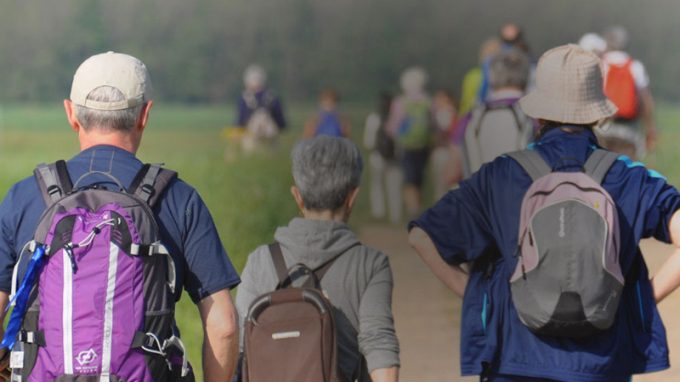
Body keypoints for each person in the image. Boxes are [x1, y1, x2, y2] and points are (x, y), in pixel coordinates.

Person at [408, 44, 680, 381]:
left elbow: (423, 237)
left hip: (515, 358)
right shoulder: (629, 175)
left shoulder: (501, 175)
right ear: (598, 113)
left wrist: (485, 299)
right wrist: (643, 296)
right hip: (602, 362)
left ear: (538, 114)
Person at [0, 52, 241, 380]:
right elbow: (223, 325)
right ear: (145, 114)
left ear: (71, 113)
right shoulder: (179, 199)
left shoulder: (24, 199)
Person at [235, 136, 400, 382]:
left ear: (297, 196)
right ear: (352, 198)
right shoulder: (369, 265)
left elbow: (239, 345)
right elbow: (379, 343)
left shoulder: (260, 260)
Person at [457, 49, 534, 177]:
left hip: (480, 192)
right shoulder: (535, 116)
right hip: (523, 192)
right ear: (526, 77)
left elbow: (453, 169)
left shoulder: (470, 118)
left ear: (491, 77)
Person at [598, 26, 657, 160]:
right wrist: (650, 130)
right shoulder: (635, 66)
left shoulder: (600, 64)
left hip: (603, 127)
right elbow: (646, 101)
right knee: (629, 171)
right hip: (629, 129)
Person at [386, 66, 432, 217]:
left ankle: (413, 209)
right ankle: (419, 205)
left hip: (406, 145)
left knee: (408, 178)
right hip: (424, 144)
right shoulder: (427, 100)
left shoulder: (401, 102)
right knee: (419, 177)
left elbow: (393, 127)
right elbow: (434, 123)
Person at [363, 92, 403, 224]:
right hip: (395, 158)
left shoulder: (373, 118)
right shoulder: (398, 119)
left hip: (376, 156)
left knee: (377, 185)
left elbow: (368, 142)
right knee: (394, 187)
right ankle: (395, 215)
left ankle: (379, 212)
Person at [236, 64, 287, 151]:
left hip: (252, 133)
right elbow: (279, 116)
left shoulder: (245, 97)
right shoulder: (271, 95)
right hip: (270, 132)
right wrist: (281, 126)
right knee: (272, 152)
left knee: (251, 151)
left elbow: (241, 118)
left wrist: (238, 129)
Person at [459, 38, 502, 116]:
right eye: (488, 53)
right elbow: (466, 104)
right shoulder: (472, 76)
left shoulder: (504, 77)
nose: (490, 56)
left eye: (494, 52)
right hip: (477, 117)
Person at [430, 89, 459, 199]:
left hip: (443, 150)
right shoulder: (455, 112)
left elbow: (444, 131)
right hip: (451, 151)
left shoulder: (443, 113)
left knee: (441, 187)